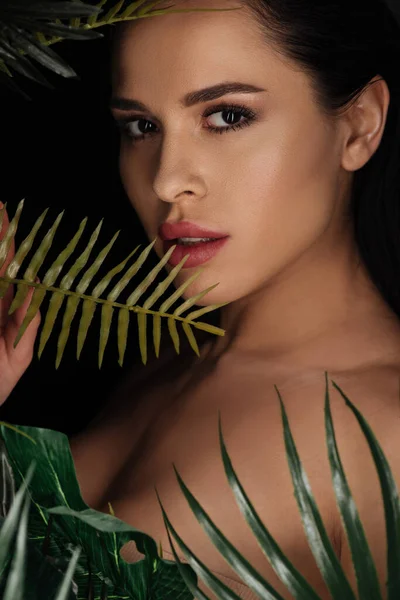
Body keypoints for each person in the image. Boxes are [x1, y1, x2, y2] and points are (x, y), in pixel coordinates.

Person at [2, 0, 400, 597]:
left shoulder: (385, 441)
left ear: (360, 123)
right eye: (141, 126)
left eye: (228, 116)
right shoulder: (165, 357)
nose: (166, 180)